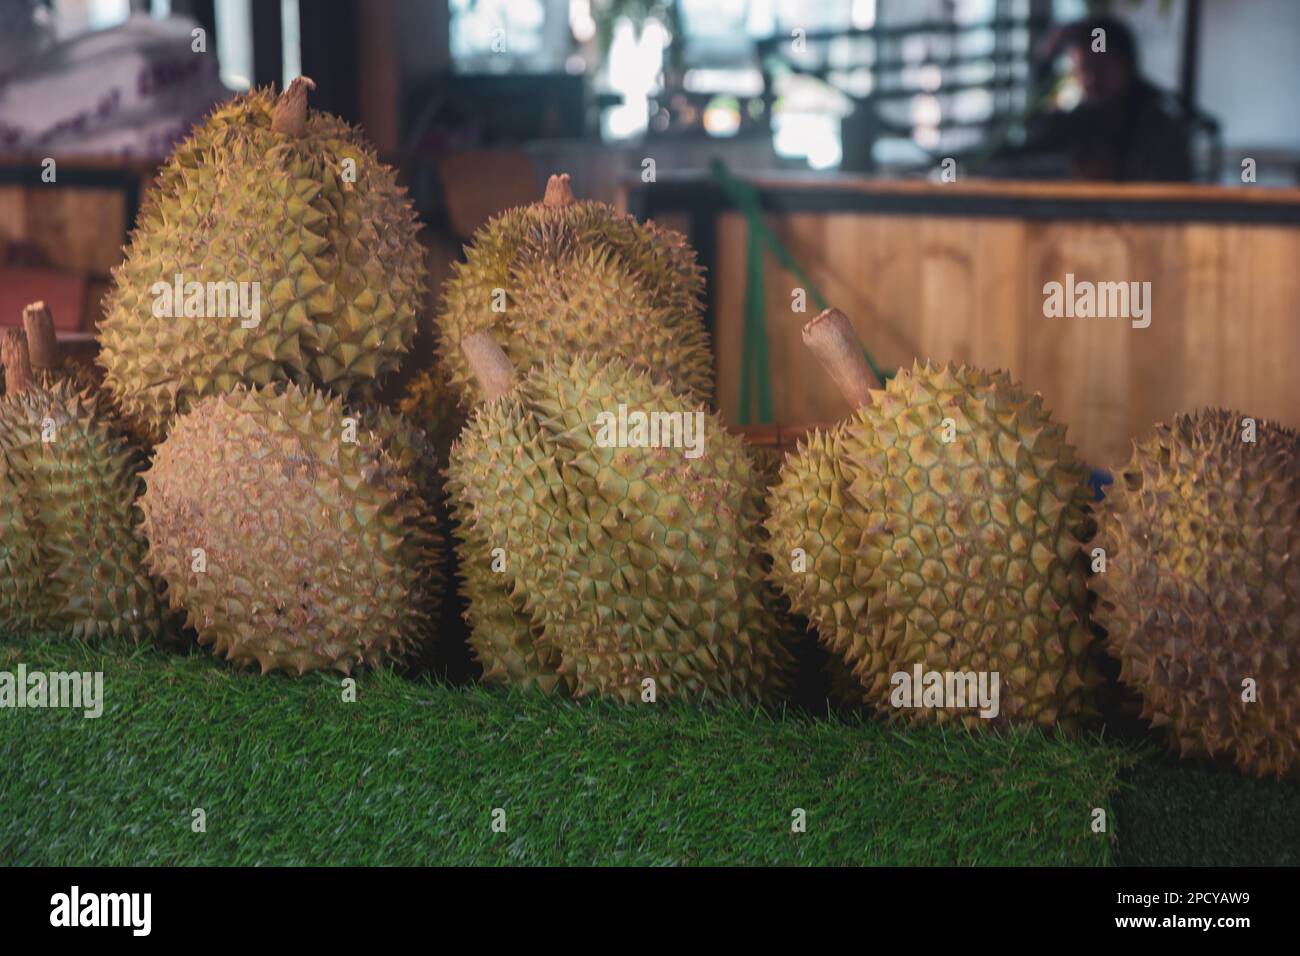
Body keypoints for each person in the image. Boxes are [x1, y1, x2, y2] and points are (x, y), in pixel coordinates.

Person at [1004, 16, 1192, 182]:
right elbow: (1035, 138)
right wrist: (1044, 62)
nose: (1091, 79)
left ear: (1125, 64)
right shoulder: (1077, 122)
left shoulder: (1156, 128)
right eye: (1083, 69)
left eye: (1101, 67)